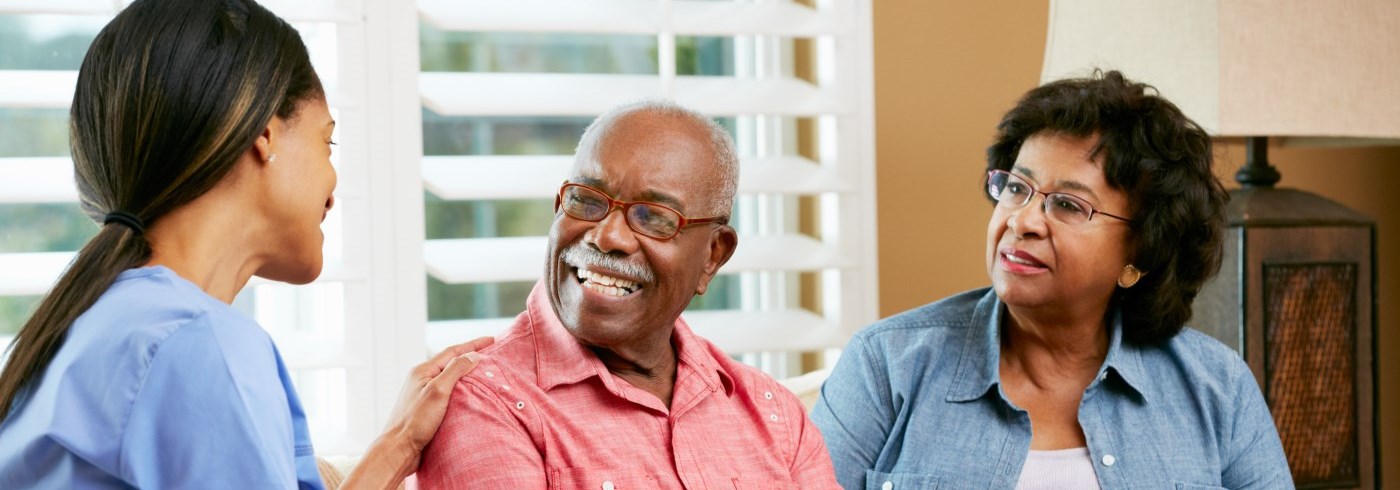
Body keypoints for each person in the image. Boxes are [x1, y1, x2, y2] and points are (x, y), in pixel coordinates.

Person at [0, 1, 490, 488]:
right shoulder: (196, 345)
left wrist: (398, 445)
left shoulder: (88, 327)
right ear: (265, 134)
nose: (333, 187)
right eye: (328, 143)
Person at [811, 70, 1293, 489]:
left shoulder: (1218, 389)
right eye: (1017, 188)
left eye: (1067, 204)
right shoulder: (886, 367)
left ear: (1141, 253)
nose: (1022, 221)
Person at [414, 101, 840, 489]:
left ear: (713, 255)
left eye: (653, 217)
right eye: (587, 200)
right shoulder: (484, 402)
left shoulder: (775, 415)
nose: (608, 236)